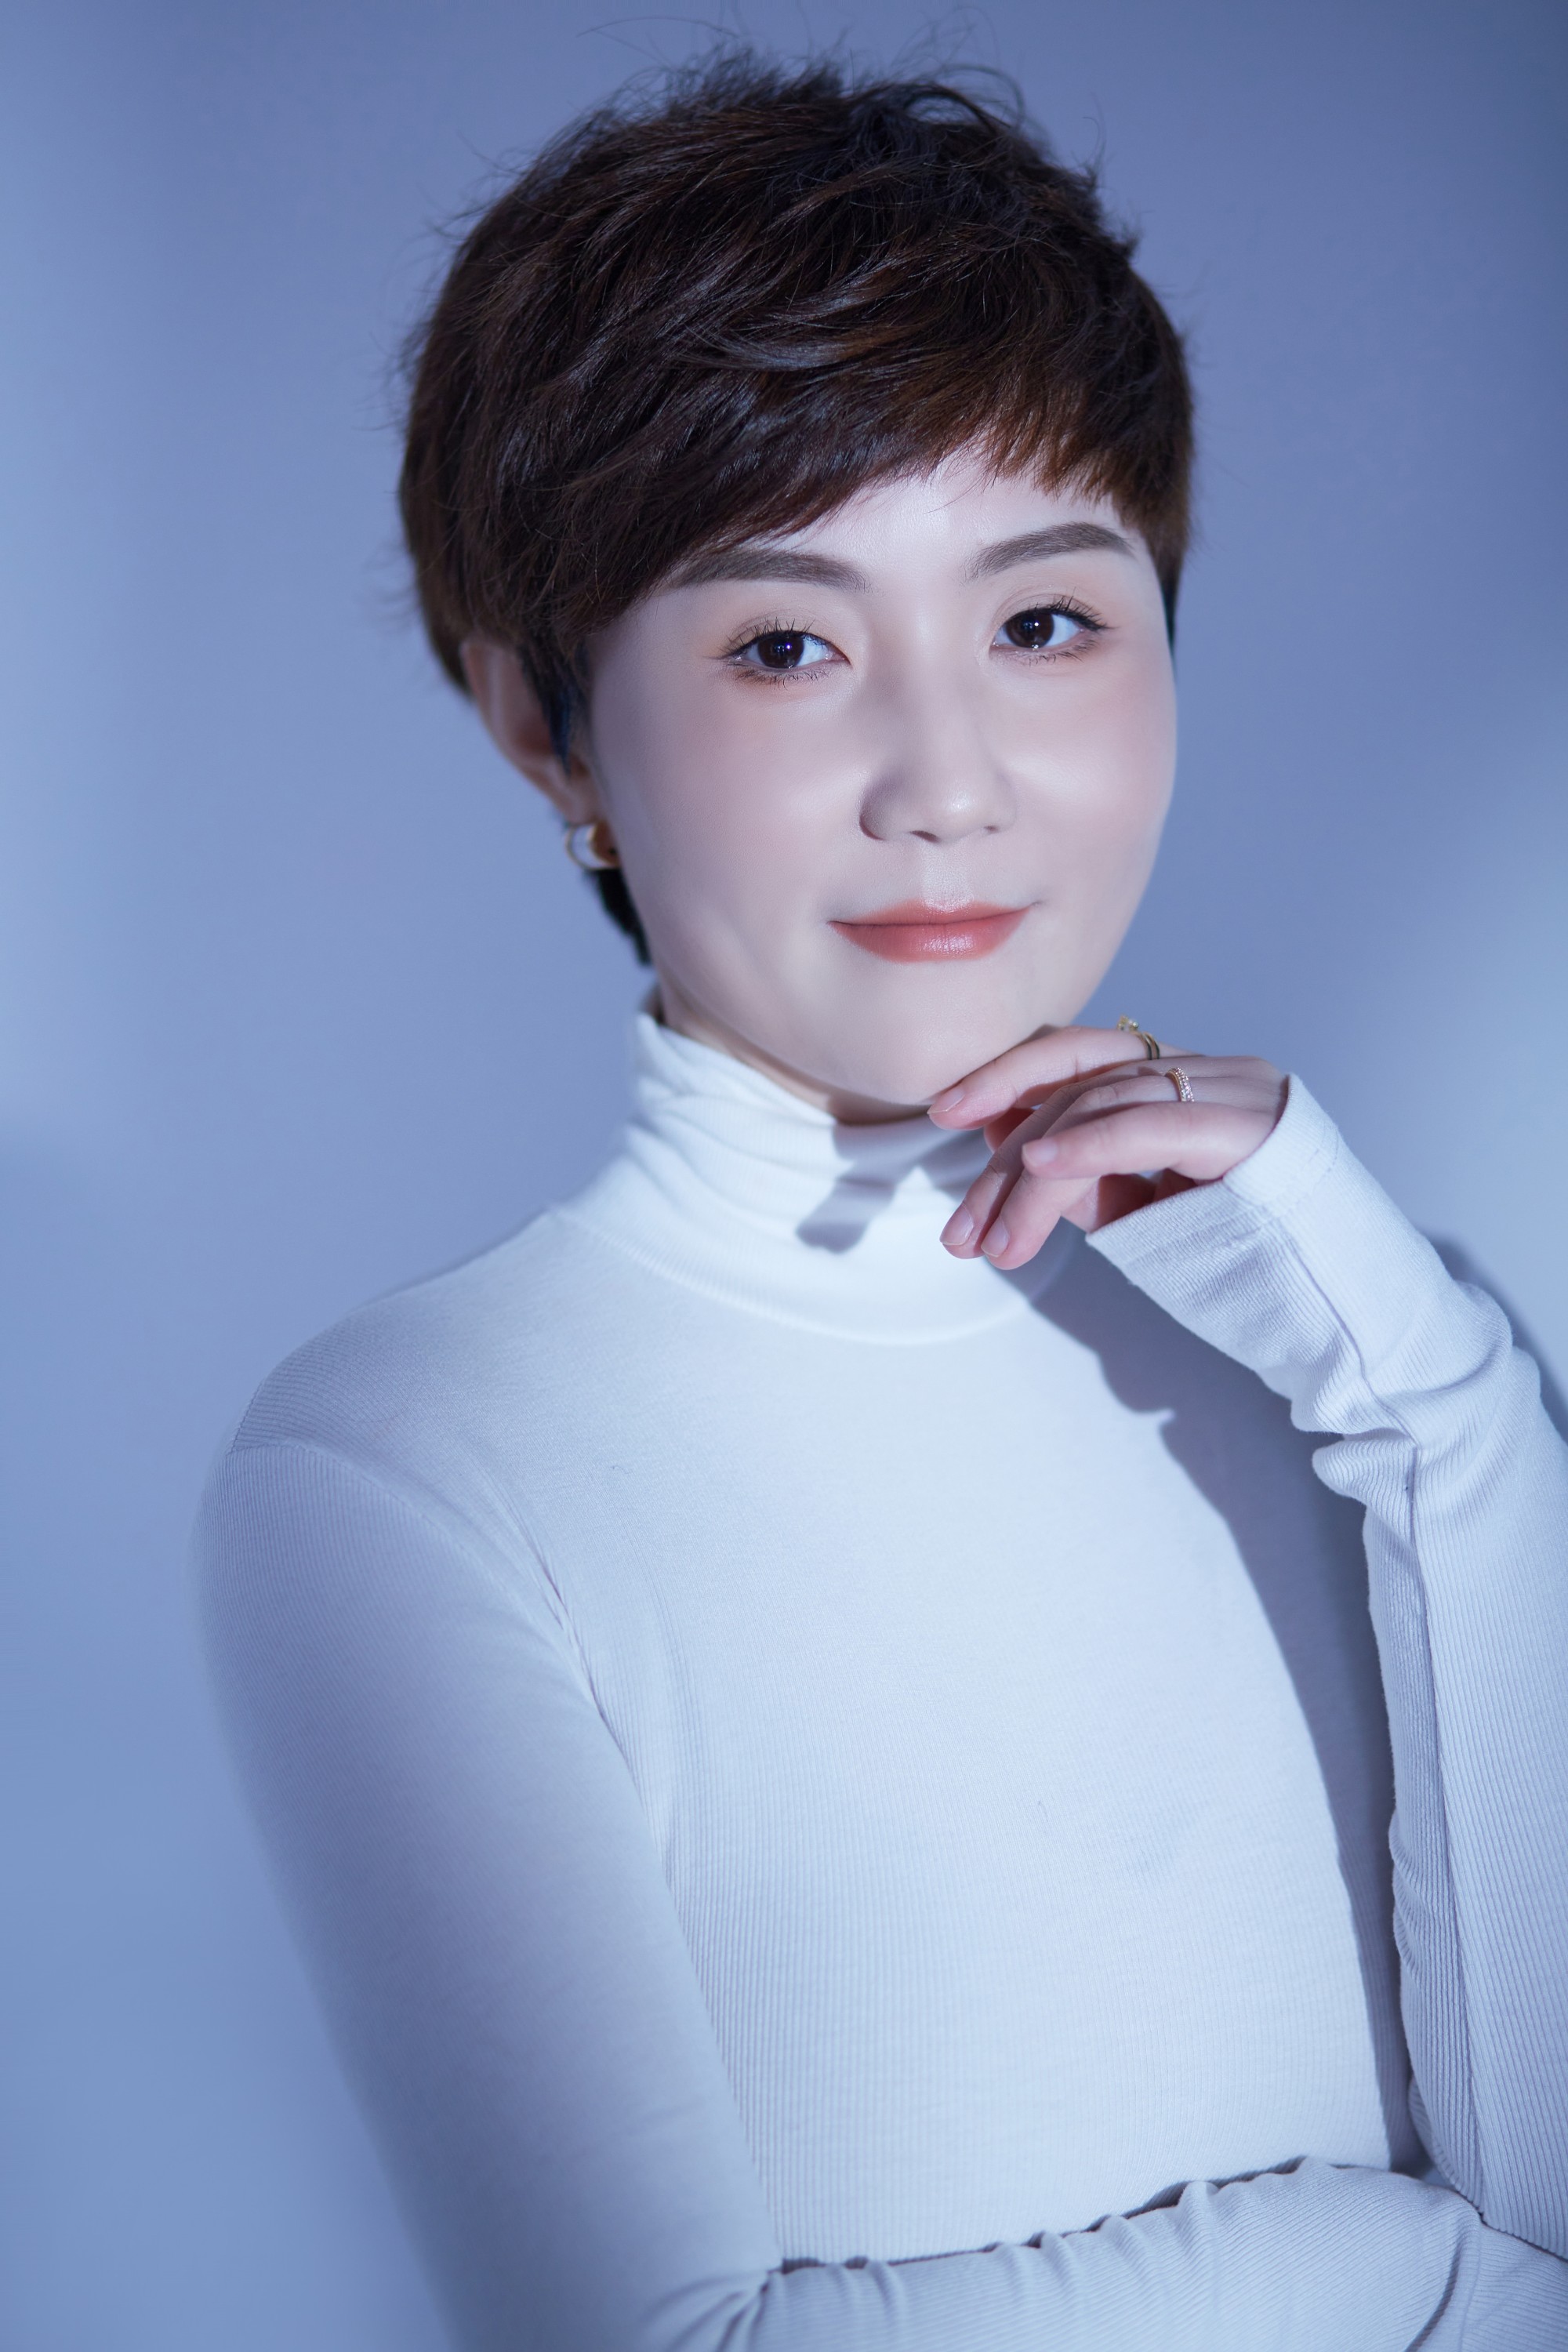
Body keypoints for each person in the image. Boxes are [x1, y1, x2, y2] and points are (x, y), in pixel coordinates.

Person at [194, 53, 1568, 2350]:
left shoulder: (1371, 1340)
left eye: (1043, 624)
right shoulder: (401, 1468)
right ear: (542, 724)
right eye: (786, 645)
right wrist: (1430, 2266)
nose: (948, 784)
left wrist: (1446, 1408)